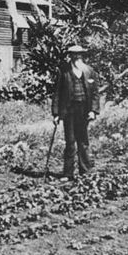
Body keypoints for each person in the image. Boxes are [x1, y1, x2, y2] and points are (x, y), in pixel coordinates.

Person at [52, 45, 99, 180]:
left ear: (82, 56)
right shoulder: (64, 71)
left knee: (83, 141)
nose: (76, 57)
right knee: (70, 141)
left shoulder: (90, 71)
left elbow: (95, 93)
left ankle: (85, 171)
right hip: (69, 111)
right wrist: (56, 114)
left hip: (84, 110)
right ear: (70, 56)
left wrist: (93, 111)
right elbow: (57, 93)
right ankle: (68, 173)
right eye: (73, 55)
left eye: (79, 55)